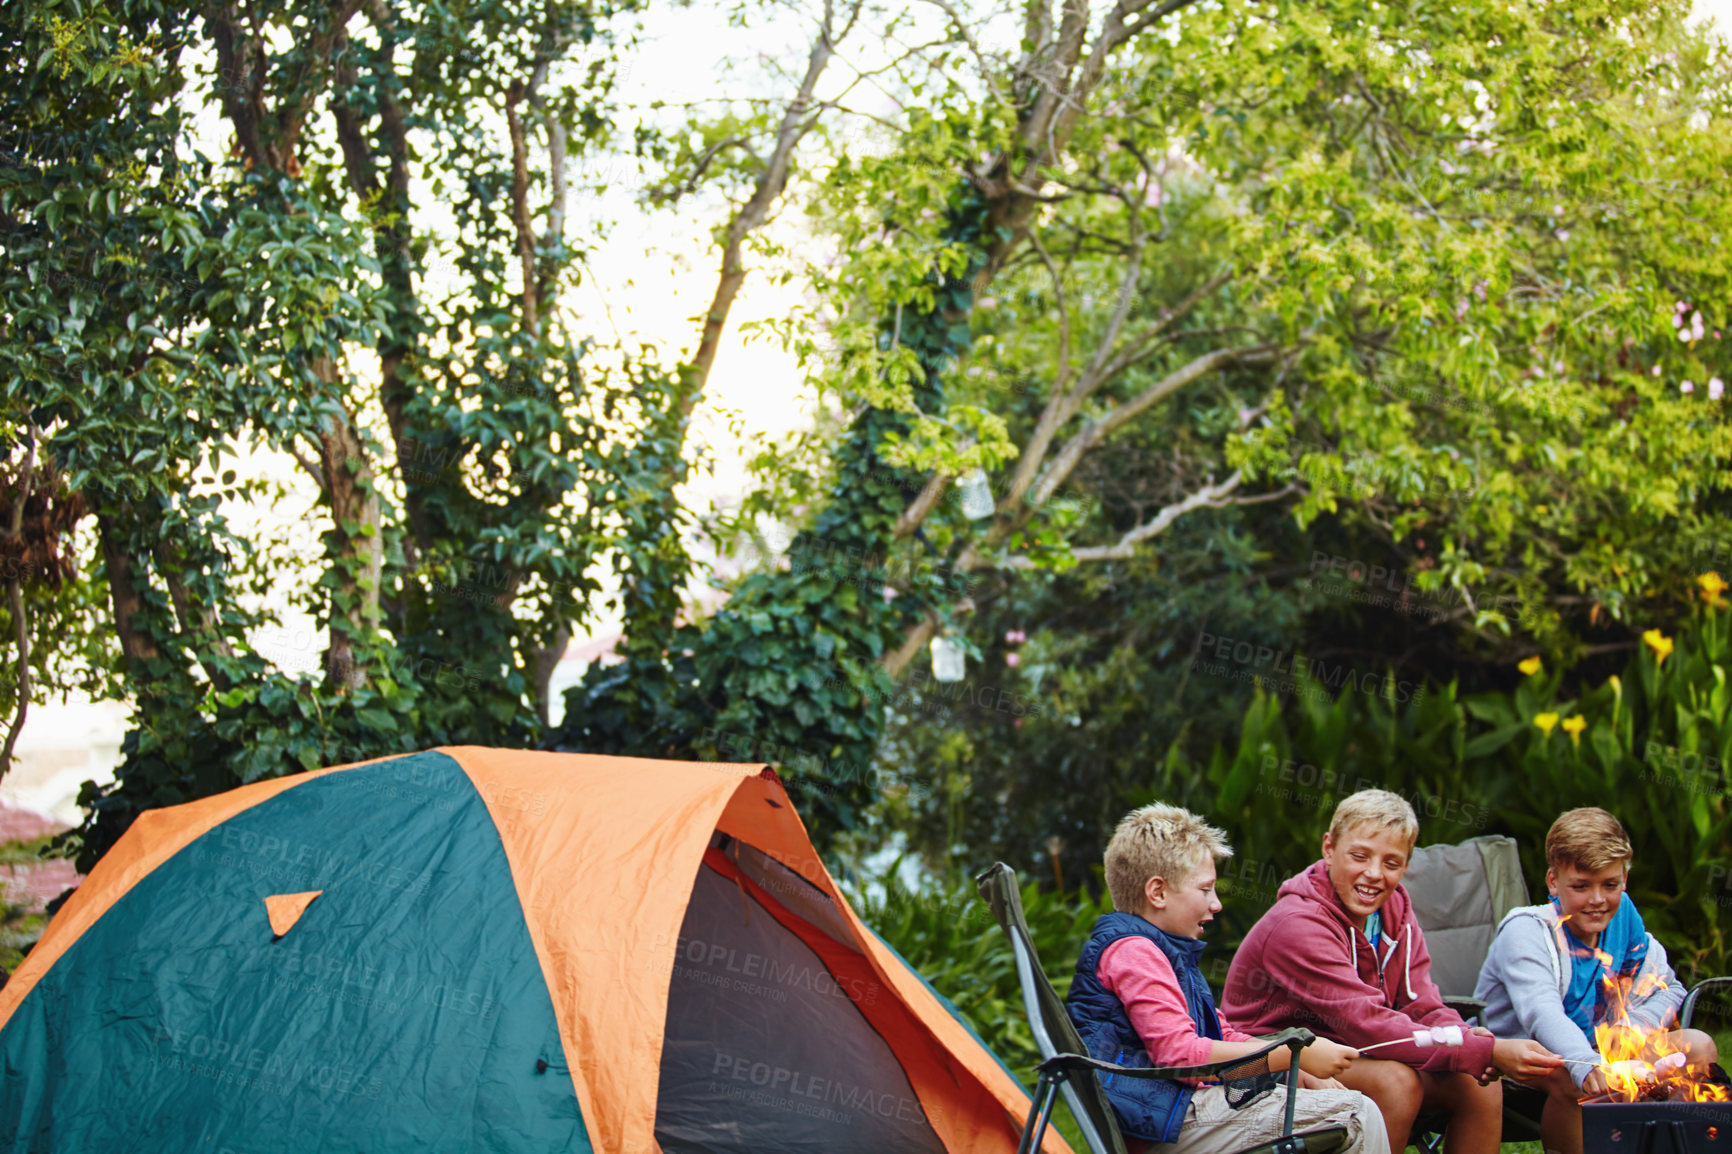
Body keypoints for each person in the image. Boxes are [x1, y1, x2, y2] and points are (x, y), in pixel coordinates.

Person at [1221, 789, 1562, 1154]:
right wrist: (1487, 1050)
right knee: (1396, 1082)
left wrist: (1464, 1037)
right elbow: (1366, 1023)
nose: (1373, 874)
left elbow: (1421, 1004)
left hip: (1351, 1050)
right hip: (1266, 1059)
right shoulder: (1298, 924)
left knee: (1473, 1081)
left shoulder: (1394, 907)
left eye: (1391, 862)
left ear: (1407, 865)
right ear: (1328, 848)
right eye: (1359, 856)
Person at [1066, 803, 1391, 1154]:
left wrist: (1300, 1065)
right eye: (1205, 889)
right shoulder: (1135, 953)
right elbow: (1181, 1058)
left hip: (1175, 1109)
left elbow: (1223, 1036)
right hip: (1164, 1123)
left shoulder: (1164, 950)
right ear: (1157, 892)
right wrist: (1290, 1055)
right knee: (1357, 1114)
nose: (1217, 903)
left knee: (1337, 1103)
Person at [1475, 806, 1718, 1154]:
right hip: (1520, 1054)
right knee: (1579, 1080)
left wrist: (1633, 1027)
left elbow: (1670, 987)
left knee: (1699, 1046)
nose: (1598, 900)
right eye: (1581, 886)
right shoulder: (1527, 931)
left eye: (1610, 884)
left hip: (1596, 1048)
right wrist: (1588, 1065)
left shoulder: (1623, 918)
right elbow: (1542, 1015)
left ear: (1624, 879)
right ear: (1553, 882)